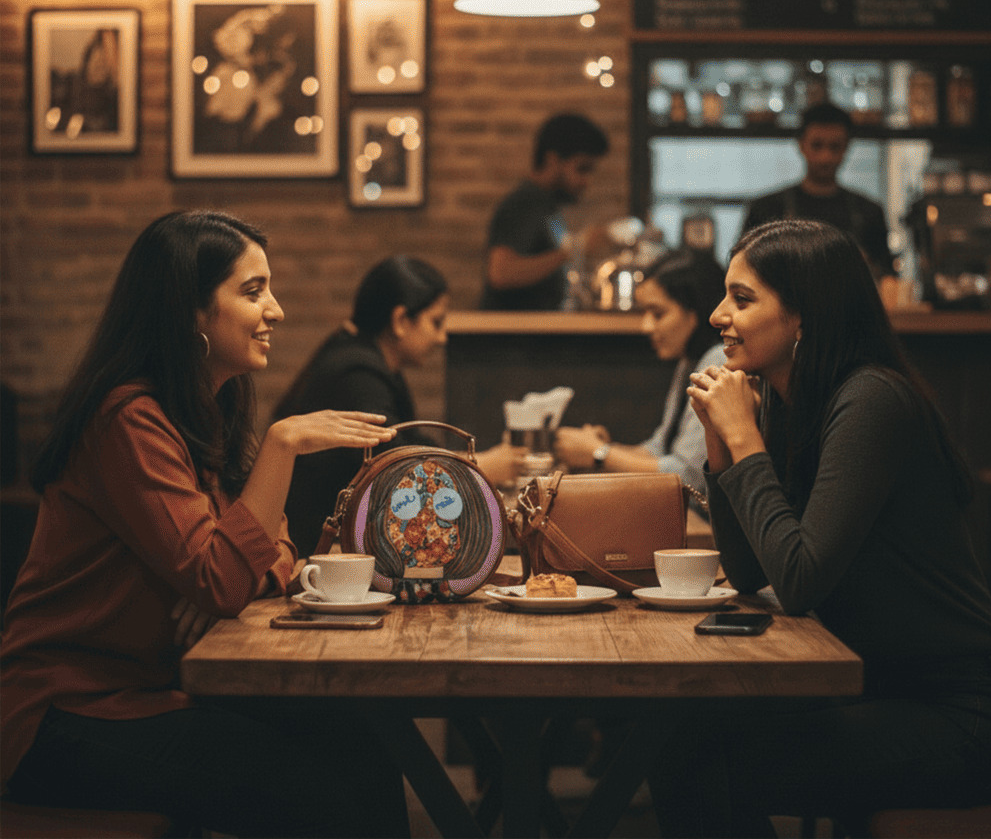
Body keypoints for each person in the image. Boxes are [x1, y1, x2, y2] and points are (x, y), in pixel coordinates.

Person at [0, 211, 408, 838]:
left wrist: (229, 575)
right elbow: (222, 575)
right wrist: (283, 444)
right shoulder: (129, 419)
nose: (276, 310)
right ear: (190, 311)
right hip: (67, 711)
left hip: (156, 686)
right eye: (253, 291)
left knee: (361, 739)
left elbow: (275, 552)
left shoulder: (201, 410)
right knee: (315, 791)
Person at [650, 218, 991, 837]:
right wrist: (723, 448)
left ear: (804, 316)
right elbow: (756, 571)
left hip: (957, 711)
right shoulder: (790, 402)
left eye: (742, 298)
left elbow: (801, 578)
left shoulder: (871, 400)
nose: (716, 315)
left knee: (704, 762)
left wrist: (743, 439)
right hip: (873, 685)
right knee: (679, 733)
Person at [274, 254, 526, 556]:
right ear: (400, 321)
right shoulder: (357, 373)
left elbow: (411, 442)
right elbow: (396, 468)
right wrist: (480, 467)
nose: (442, 337)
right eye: (436, 322)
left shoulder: (365, 358)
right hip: (317, 553)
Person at [553, 249, 726, 499]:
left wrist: (599, 454)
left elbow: (689, 477)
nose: (646, 326)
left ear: (695, 311)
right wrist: (601, 448)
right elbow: (658, 450)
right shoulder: (689, 360)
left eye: (658, 313)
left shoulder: (717, 363)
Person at [741, 102, 895, 281]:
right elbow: (744, 272)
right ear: (801, 145)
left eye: (834, 147)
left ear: (847, 147)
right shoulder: (766, 209)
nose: (825, 157)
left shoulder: (869, 212)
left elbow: (887, 278)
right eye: (817, 145)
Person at [481, 112, 609, 310]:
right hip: (513, 337)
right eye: (582, 169)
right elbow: (501, 273)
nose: (587, 181)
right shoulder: (525, 203)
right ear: (552, 160)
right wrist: (576, 248)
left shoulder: (546, 206)